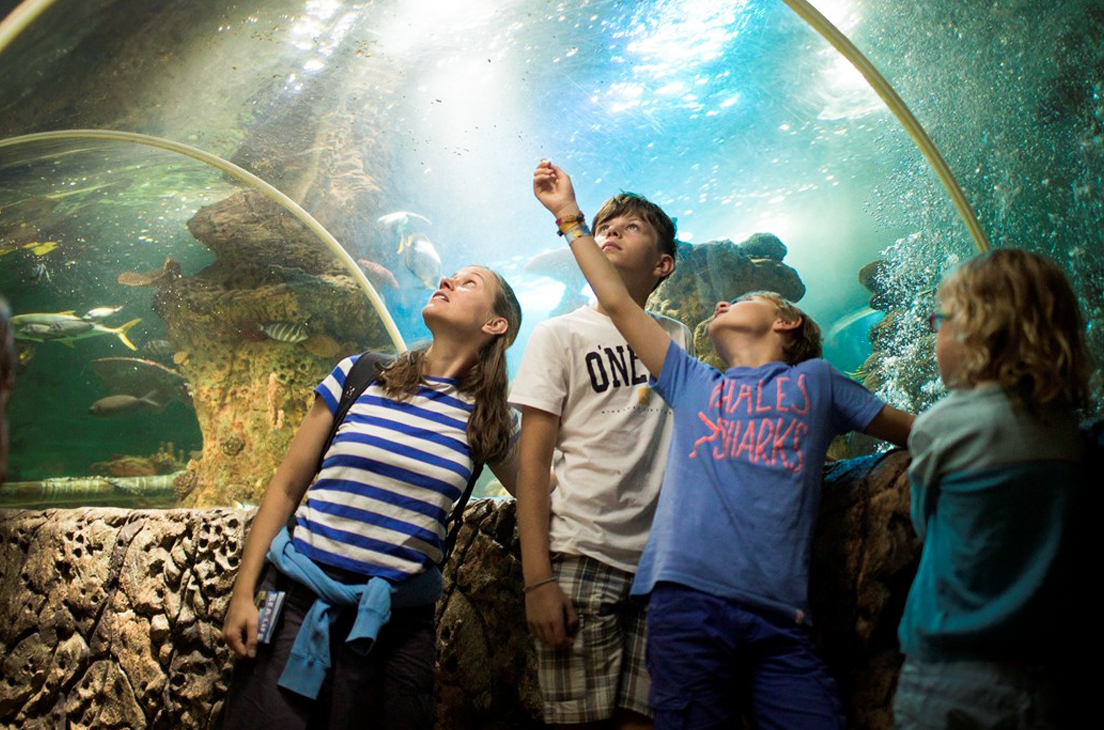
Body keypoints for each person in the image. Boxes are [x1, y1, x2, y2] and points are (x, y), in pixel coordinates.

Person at [532, 159, 913, 730]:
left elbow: (913, 429)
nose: (719, 304)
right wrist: (568, 217)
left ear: (786, 323)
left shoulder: (817, 382)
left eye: (742, 299)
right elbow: (615, 301)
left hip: (781, 616)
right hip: (680, 602)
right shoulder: (691, 381)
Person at [219, 265, 522, 730]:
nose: (446, 282)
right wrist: (244, 592)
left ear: (494, 325)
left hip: (394, 626)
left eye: (467, 283)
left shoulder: (491, 421)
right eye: (450, 277)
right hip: (297, 602)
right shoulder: (360, 373)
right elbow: (284, 487)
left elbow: (544, 495)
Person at [512, 173, 693, 729]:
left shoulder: (677, 335)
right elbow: (532, 464)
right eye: (603, 228)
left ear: (663, 264)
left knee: (645, 719)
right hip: (582, 552)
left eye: (630, 228)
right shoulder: (558, 334)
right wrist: (538, 580)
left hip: (660, 567)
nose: (611, 233)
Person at [892, 249, 1092, 730]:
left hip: (946, 672)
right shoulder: (1067, 431)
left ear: (978, 330)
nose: (935, 335)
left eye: (940, 320)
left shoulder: (943, 425)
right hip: (1045, 673)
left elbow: (928, 520)